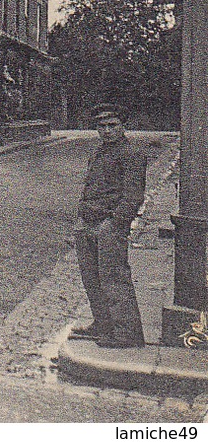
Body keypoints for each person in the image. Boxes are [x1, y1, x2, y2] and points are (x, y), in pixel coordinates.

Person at [71, 103, 147, 348]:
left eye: (112, 125)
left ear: (123, 126)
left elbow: (133, 196)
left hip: (108, 224)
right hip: (88, 222)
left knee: (113, 278)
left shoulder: (132, 153)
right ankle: (102, 323)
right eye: (101, 126)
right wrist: (82, 217)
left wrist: (116, 223)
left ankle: (127, 332)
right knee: (91, 278)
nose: (106, 131)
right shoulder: (99, 152)